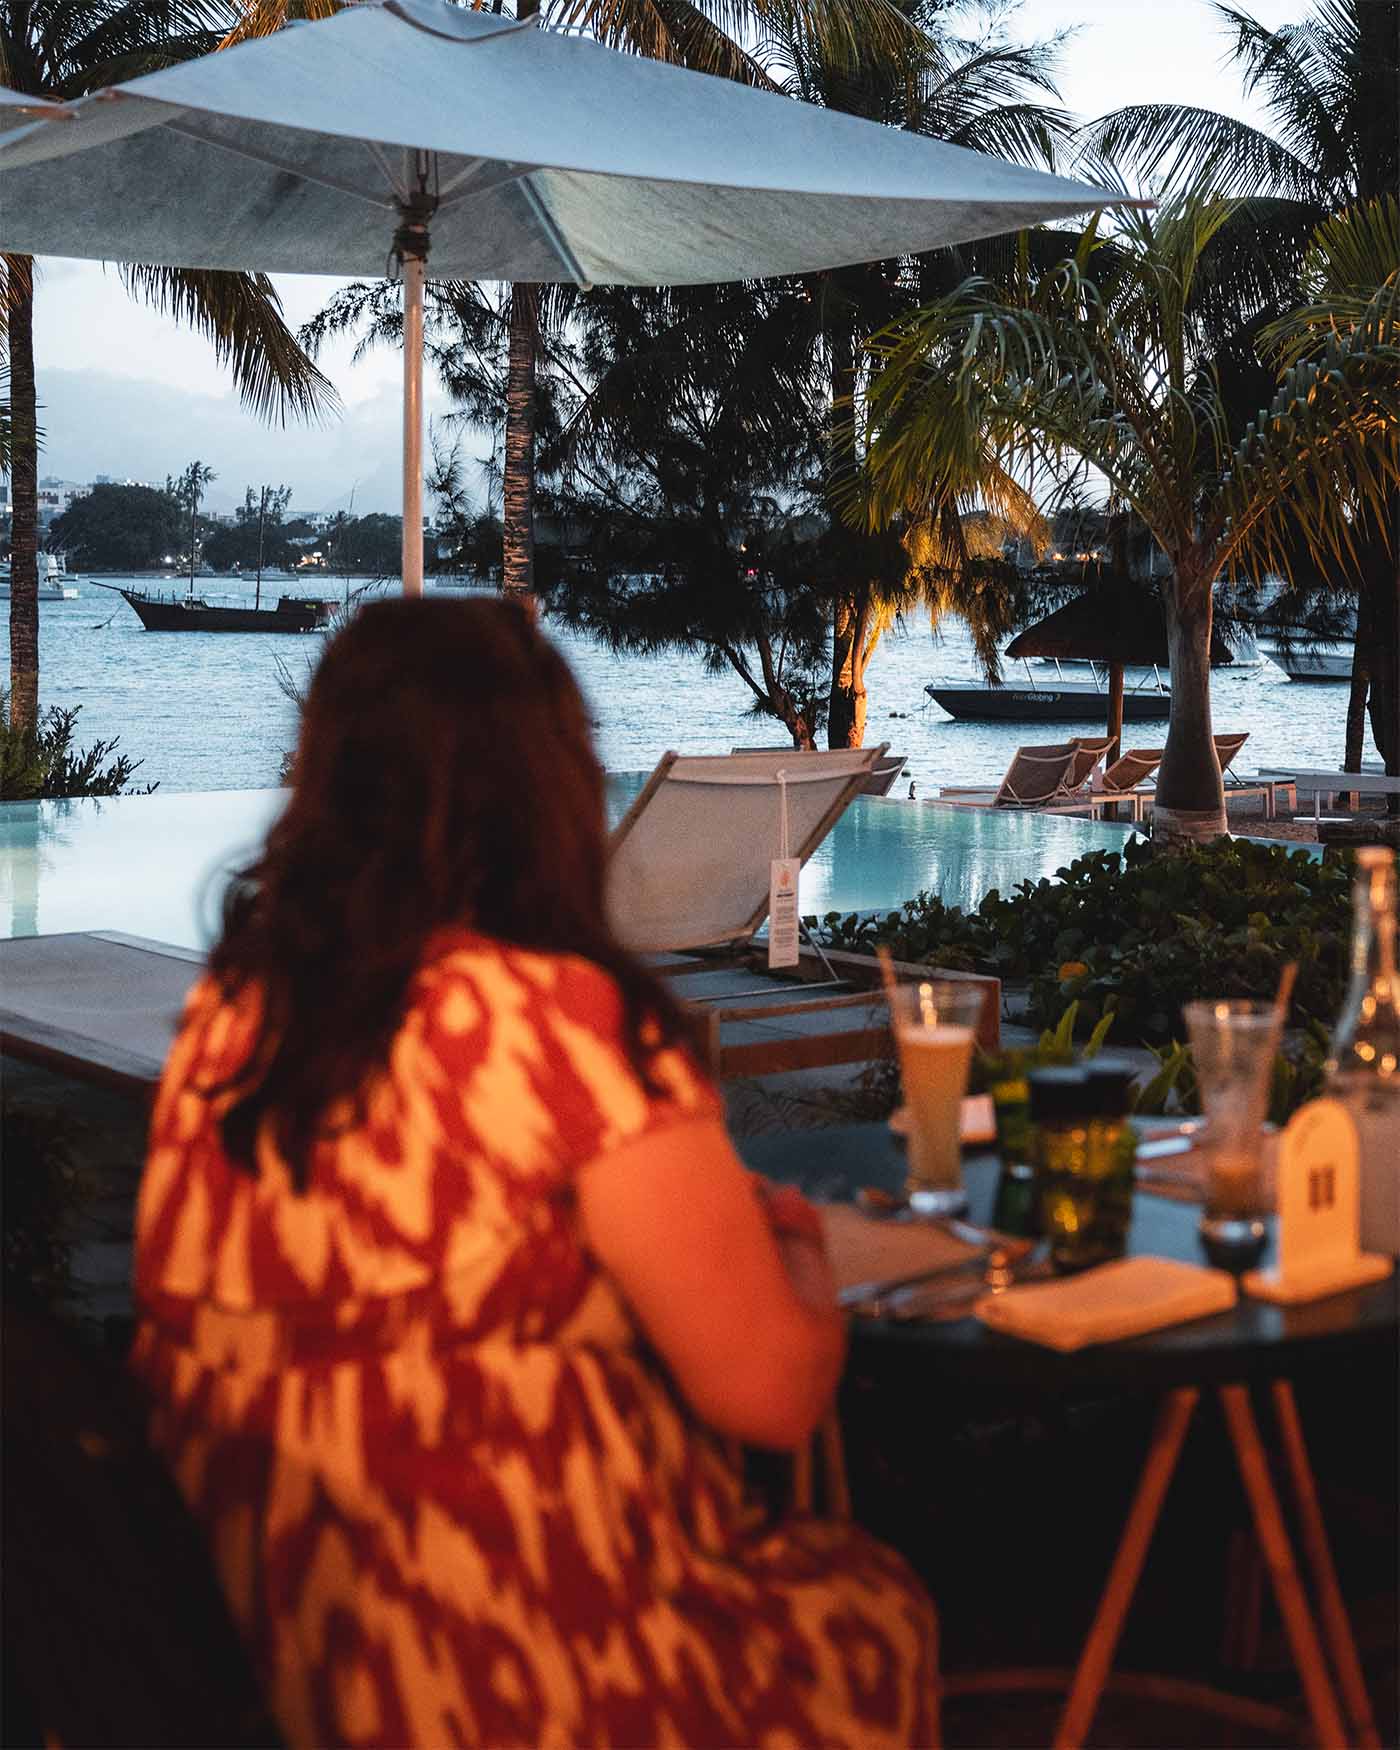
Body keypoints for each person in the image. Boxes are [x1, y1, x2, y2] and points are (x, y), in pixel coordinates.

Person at [132, 598, 940, 1749]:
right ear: (546, 785)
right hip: (523, 1660)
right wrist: (801, 1268)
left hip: (288, 1642)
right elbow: (769, 1396)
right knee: (871, 1607)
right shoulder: (550, 1025)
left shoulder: (229, 1021)